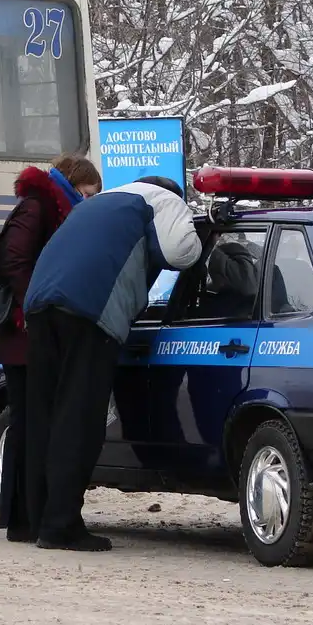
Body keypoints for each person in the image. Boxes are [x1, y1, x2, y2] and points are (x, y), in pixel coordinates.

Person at [22, 175, 202, 551]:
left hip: (39, 306)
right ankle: (61, 527)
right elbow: (181, 254)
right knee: (79, 419)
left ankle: (34, 521)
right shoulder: (161, 201)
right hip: (89, 310)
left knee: (45, 414)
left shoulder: (100, 202)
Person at [0, 154, 102, 543]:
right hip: (25, 334)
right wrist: (32, 309)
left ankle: (25, 517)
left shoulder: (53, 206)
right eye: (87, 193)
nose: (88, 201)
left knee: (31, 426)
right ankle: (25, 517)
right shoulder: (39, 206)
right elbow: (14, 259)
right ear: (73, 182)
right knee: (31, 426)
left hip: (29, 334)